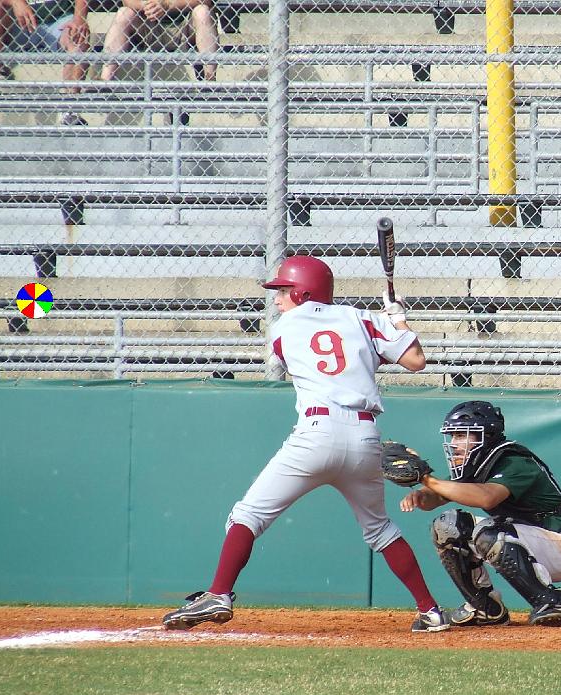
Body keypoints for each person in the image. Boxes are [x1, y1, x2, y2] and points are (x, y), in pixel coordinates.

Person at [163, 255, 451, 634]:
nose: (278, 298)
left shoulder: (282, 328)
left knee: (247, 515)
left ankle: (220, 593)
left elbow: (309, 354)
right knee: (380, 529)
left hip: (317, 431)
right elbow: (415, 360)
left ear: (302, 291)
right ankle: (431, 611)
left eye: (283, 290)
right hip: (365, 437)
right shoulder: (362, 318)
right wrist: (397, 320)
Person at [396, 400, 561, 628]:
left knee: (489, 532)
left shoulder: (513, 461)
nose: (454, 443)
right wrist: (419, 489)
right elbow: (434, 499)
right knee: (447, 526)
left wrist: (428, 480)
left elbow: (486, 497)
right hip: (524, 539)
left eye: (461, 435)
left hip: (559, 545)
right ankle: (486, 608)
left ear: (486, 435)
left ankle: (551, 603)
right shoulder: (477, 464)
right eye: (453, 436)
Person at [0, 0, 90, 124]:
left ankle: (70, 108)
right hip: (18, 21)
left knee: (79, 38)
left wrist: (79, 19)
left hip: (58, 19)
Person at [100, 0, 219, 83]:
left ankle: (210, 80)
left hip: (185, 28)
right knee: (123, 12)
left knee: (203, 11)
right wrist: (147, 5)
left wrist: (167, 5)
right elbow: (127, 1)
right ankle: (105, 81)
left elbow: (205, 1)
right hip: (149, 25)